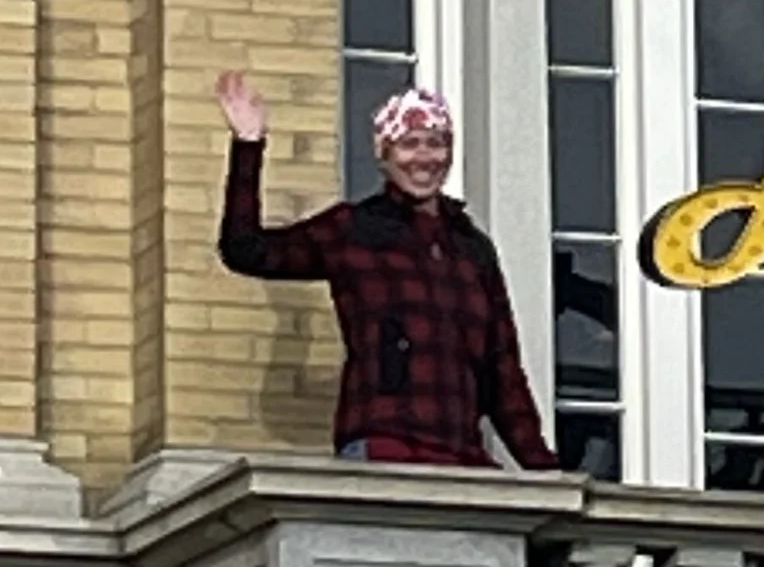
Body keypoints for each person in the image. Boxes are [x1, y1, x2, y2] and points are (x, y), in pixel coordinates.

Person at [215, 70, 561, 471]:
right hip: (382, 447)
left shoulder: (471, 246)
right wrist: (248, 145)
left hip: (463, 455)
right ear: (384, 155)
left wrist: (544, 471)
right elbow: (246, 250)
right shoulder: (354, 229)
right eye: (409, 144)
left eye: (436, 143)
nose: (424, 158)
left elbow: (503, 372)